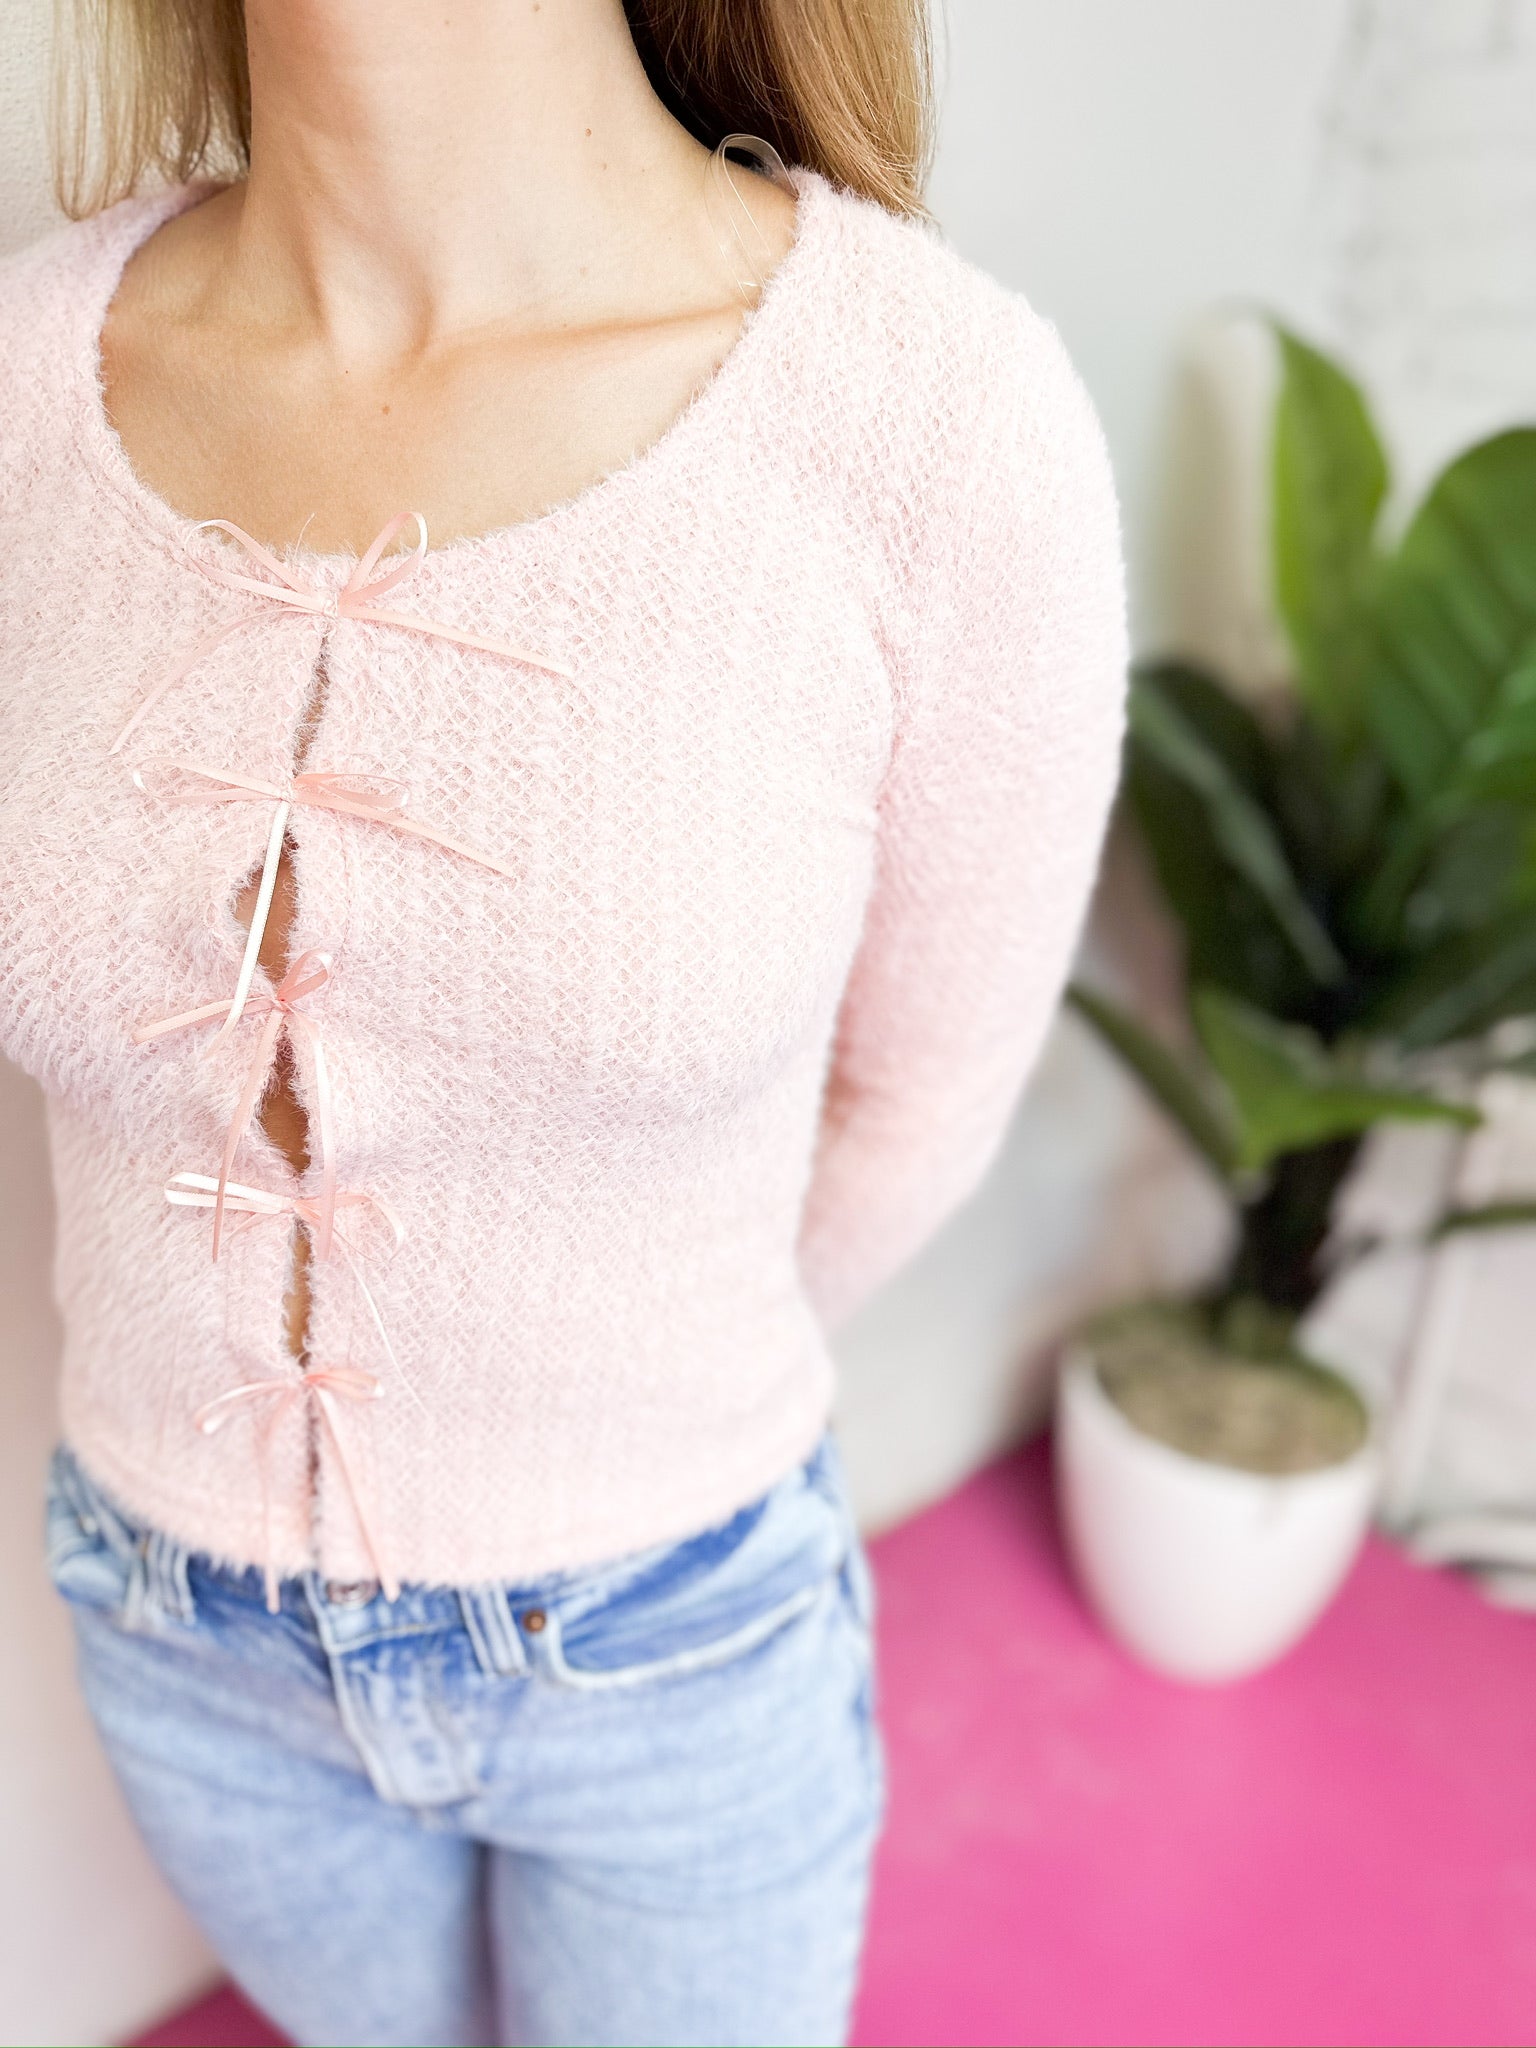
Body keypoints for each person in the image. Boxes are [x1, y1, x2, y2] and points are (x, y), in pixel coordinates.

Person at [0, 1, 1128, 2042]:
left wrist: (610, 1397)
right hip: (175, 1640)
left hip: (666, 1651)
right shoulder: (19, 388)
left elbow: (925, 1092)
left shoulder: (933, 423)